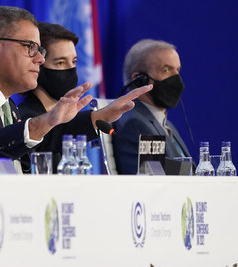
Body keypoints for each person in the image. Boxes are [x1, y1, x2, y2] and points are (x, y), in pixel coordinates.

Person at [0, 6, 148, 173]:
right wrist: (39, 124)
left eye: (40, 51)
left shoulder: (3, 102)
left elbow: (34, 143)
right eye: (30, 47)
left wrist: (97, 118)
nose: (40, 60)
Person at [18, 22, 150, 169]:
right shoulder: (25, 119)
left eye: (74, 62)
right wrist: (97, 117)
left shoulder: (70, 118)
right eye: (60, 63)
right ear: (38, 66)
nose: (71, 70)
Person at [113, 39, 191, 174]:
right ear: (139, 80)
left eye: (177, 70)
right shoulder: (136, 123)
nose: (177, 79)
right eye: (166, 70)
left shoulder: (165, 124)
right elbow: (153, 177)